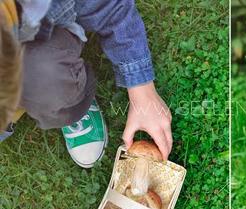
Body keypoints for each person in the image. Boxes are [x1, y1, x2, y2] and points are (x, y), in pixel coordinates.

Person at [0, 0, 172, 167]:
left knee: (48, 80)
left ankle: (70, 103)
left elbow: (112, 8)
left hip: (36, 44)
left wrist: (142, 91)